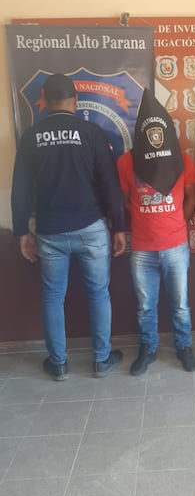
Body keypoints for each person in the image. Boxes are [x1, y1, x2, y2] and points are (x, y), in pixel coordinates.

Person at [11, 73, 126, 381]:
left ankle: (58, 364)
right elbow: (110, 184)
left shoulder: (31, 136)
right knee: (98, 293)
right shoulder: (91, 133)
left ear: (45, 102)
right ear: (75, 101)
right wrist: (119, 226)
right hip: (91, 228)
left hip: (50, 231)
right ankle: (101, 360)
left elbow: (20, 189)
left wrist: (21, 231)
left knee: (53, 297)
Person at [117, 88, 195, 375]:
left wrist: (177, 223)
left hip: (176, 245)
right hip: (142, 247)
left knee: (181, 305)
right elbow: (125, 201)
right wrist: (145, 219)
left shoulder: (183, 160)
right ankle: (148, 348)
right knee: (145, 306)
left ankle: (184, 347)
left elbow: (192, 197)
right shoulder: (125, 162)